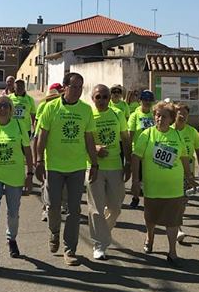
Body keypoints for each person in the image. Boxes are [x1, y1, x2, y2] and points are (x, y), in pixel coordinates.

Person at [35, 72, 98, 266]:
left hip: (77, 167)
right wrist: (39, 161)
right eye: (75, 86)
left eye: (81, 87)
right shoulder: (50, 108)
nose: (78, 90)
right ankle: (54, 232)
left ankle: (70, 249)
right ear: (65, 87)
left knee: (74, 209)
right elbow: (42, 137)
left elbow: (89, 140)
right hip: (54, 166)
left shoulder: (86, 110)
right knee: (53, 206)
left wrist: (94, 164)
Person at [131, 102, 195, 265]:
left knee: (173, 221)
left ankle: (172, 252)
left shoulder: (177, 135)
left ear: (171, 119)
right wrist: (135, 181)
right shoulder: (147, 134)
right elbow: (136, 157)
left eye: (164, 116)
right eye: (157, 115)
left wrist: (189, 177)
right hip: (153, 186)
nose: (159, 119)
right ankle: (149, 237)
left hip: (173, 187)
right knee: (151, 218)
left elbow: (183, 157)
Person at [0, 94, 34, 272]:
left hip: (14, 175)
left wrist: (30, 174)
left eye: (5, 105)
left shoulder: (18, 126)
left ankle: (11, 239)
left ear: (11, 109)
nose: (1, 108)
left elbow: (27, 152)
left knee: (13, 212)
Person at [87, 84, 131, 260]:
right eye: (98, 97)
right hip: (94, 167)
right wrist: (95, 148)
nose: (102, 100)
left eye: (105, 97)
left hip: (115, 166)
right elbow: (83, 140)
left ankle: (102, 231)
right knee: (96, 209)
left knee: (115, 207)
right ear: (93, 98)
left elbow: (126, 140)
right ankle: (99, 245)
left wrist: (128, 163)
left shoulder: (117, 114)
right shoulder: (88, 115)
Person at [173, 103, 199, 243]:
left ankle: (177, 225)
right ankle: (176, 227)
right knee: (175, 200)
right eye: (179, 113)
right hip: (171, 171)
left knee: (182, 200)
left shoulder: (192, 132)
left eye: (185, 114)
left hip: (187, 171)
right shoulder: (169, 130)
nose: (182, 116)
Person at [34, 83, 62, 222]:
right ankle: (46, 209)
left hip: (60, 157)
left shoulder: (62, 111)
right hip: (46, 155)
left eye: (55, 98)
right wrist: (37, 159)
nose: (53, 101)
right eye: (50, 99)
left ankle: (60, 206)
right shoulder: (44, 110)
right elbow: (37, 137)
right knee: (46, 184)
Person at [126, 90, 157, 208]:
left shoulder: (154, 114)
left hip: (151, 150)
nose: (147, 102)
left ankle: (149, 199)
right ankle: (135, 198)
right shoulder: (135, 115)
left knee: (149, 176)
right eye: (145, 100)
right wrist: (129, 153)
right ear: (140, 101)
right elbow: (130, 134)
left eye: (150, 100)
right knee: (137, 176)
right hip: (138, 150)